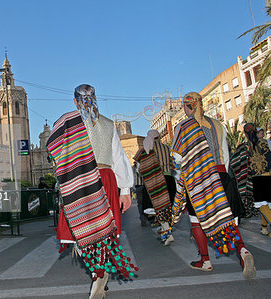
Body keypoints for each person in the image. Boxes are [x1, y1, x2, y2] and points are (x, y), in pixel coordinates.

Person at [47, 84, 136, 299]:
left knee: (83, 231)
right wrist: (125, 190)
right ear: (95, 98)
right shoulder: (107, 124)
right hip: (105, 179)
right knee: (104, 231)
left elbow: (52, 147)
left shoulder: (68, 122)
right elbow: (119, 158)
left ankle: (98, 275)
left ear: (75, 101)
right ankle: (100, 275)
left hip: (80, 181)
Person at [171, 92, 256, 279]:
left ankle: (205, 260)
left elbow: (177, 158)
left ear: (188, 106)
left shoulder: (183, 126)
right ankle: (243, 251)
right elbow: (225, 154)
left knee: (196, 220)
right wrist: (223, 175)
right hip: (222, 175)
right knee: (227, 217)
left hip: (199, 178)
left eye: (184, 106)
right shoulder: (217, 125)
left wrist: (181, 183)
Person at [231, 123, 271, 238]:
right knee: (265, 203)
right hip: (269, 176)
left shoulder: (244, 147)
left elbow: (234, 162)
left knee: (261, 203)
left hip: (256, 179)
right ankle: (263, 227)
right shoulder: (268, 143)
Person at [133, 130, 176, 245]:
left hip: (156, 182)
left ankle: (167, 232)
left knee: (158, 208)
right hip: (169, 179)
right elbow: (173, 164)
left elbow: (138, 168)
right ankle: (166, 231)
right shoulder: (167, 148)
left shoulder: (146, 150)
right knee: (168, 207)